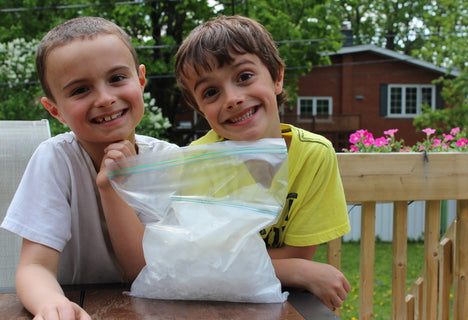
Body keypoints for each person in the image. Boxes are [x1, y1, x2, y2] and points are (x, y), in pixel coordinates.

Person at [100, 15, 352, 311]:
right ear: (200, 109)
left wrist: (297, 266)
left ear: (277, 77)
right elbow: (196, 265)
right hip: (209, 307)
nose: (232, 98)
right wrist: (296, 270)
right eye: (211, 92)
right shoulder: (197, 161)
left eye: (244, 77)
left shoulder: (314, 155)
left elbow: (296, 253)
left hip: (277, 302)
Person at [1, 16, 177, 320]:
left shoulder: (170, 161)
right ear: (55, 110)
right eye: (80, 90)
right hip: (81, 305)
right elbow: (35, 266)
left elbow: (149, 274)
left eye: (117, 78)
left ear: (141, 79)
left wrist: (111, 188)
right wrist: (49, 304)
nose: (106, 98)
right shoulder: (55, 160)